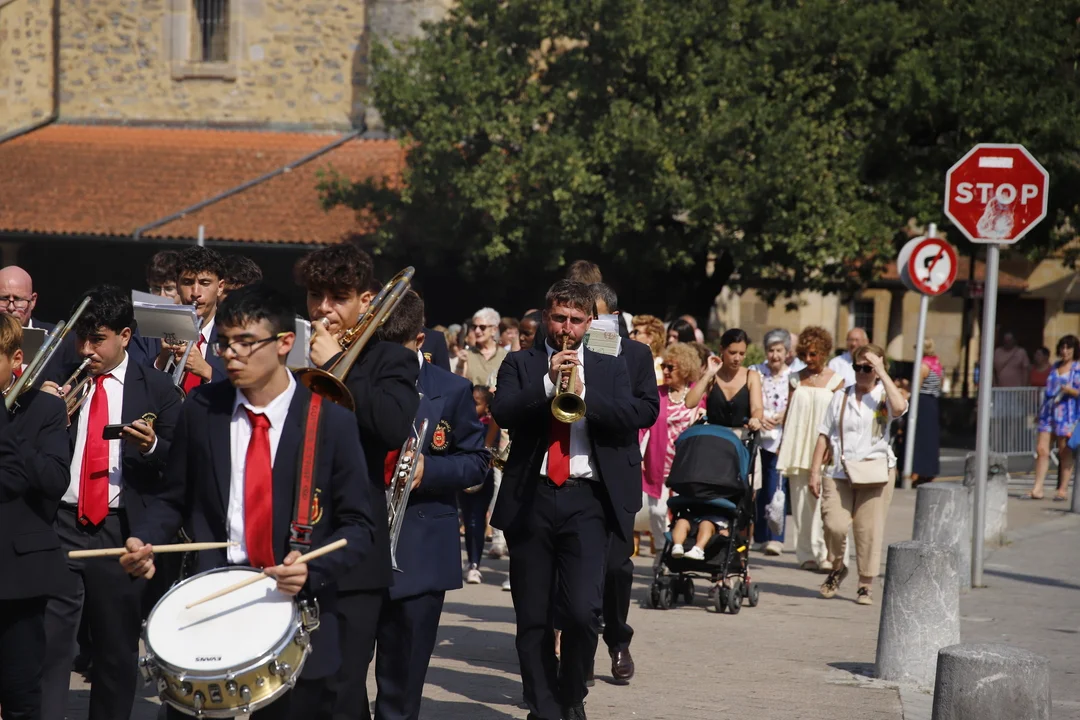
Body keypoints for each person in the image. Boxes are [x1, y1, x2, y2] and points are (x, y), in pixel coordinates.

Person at [117, 283, 376, 720]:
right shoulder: (203, 409)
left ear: (284, 343)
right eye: (224, 343)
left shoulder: (330, 421)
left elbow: (360, 527)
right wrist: (145, 539)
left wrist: (313, 569)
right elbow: (172, 497)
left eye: (245, 342)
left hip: (294, 607)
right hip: (211, 598)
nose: (230, 355)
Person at [491, 280, 642, 720]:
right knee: (533, 617)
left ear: (589, 323)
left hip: (587, 500)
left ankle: (572, 692)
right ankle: (544, 707)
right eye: (559, 318)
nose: (566, 329)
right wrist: (546, 383)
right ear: (545, 318)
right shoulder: (520, 363)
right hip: (532, 498)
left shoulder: (610, 365)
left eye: (576, 321)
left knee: (582, 611)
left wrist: (585, 393)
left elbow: (632, 416)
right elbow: (502, 411)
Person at [37, 286, 183, 720]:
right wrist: (47, 414)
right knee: (50, 644)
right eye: (81, 338)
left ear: (125, 336)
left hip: (121, 531)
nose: (87, 350)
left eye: (97, 339)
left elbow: (178, 463)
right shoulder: (57, 377)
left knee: (116, 650)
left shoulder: (157, 388)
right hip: (61, 523)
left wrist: (151, 446)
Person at [296, 243, 420, 720]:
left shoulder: (391, 359)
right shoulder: (288, 349)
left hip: (353, 550)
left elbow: (389, 428)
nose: (324, 308)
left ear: (366, 301)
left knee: (342, 689)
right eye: (316, 295)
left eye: (338, 297)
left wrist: (333, 366)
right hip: (289, 544)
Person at [370, 291, 488, 720]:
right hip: (359, 544)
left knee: (402, 688)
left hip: (420, 551)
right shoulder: (356, 380)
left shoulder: (451, 389)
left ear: (420, 340)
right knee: (340, 681)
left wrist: (429, 469)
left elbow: (477, 462)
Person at [588, 282, 659, 687]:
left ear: (613, 317)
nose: (587, 322)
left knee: (616, 566)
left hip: (617, 474)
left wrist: (595, 404)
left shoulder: (636, 354)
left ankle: (617, 640)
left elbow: (647, 410)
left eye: (594, 315)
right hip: (573, 476)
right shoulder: (566, 351)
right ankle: (579, 649)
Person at [0, 314, 71, 720]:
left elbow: (54, 480)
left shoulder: (45, 408)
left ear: (16, 360)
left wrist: (6, 430)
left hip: (20, 573)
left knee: (21, 692)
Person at [811, 344, 907, 605]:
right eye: (858, 367)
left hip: (875, 472)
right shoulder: (840, 396)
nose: (862, 373)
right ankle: (837, 567)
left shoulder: (884, 395)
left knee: (868, 530)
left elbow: (899, 408)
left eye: (868, 368)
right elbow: (824, 434)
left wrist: (882, 372)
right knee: (833, 524)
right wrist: (814, 471)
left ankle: (865, 585)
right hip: (839, 471)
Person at [776, 327, 844, 572]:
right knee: (801, 503)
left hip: (824, 447)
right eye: (804, 354)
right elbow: (789, 412)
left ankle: (825, 553)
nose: (808, 359)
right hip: (798, 443)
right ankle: (805, 554)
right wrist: (782, 443)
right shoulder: (795, 378)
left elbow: (839, 418)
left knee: (823, 503)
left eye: (813, 354)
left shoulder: (836, 381)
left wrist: (834, 446)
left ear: (824, 352)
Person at [640, 343, 705, 559]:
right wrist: (637, 454)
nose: (665, 371)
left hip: (686, 464)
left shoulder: (697, 394)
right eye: (664, 366)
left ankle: (677, 552)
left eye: (671, 367)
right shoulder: (657, 394)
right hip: (658, 462)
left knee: (682, 513)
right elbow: (642, 427)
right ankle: (661, 551)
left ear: (685, 369)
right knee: (657, 512)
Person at [154, 247, 229, 393]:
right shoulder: (154, 329)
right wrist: (161, 360)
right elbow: (133, 383)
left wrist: (207, 372)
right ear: (177, 285)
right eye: (187, 282)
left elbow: (246, 389)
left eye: (204, 283)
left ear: (220, 287)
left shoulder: (234, 336)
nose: (195, 293)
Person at [754, 329, 794, 556]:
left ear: (787, 352)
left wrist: (784, 416)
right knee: (758, 488)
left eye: (779, 350)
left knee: (776, 487)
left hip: (781, 437)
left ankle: (776, 537)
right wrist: (760, 416)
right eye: (771, 350)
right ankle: (760, 536)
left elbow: (796, 404)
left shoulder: (793, 376)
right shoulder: (756, 372)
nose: (775, 355)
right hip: (759, 435)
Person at [1028, 335, 1080, 501]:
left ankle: (1062, 489)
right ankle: (1037, 488)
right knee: (1042, 449)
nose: (1065, 351)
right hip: (1048, 412)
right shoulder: (1055, 366)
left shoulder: (1078, 368)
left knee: (1064, 452)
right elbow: (1048, 391)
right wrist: (1040, 412)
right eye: (1062, 347)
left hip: (1067, 414)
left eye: (1068, 348)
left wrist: (1070, 390)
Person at [685, 328, 763, 434]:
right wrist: (708, 374)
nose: (737, 358)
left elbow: (757, 408)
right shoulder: (712, 375)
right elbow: (689, 403)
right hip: (713, 437)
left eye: (741, 353)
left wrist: (756, 419)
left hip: (741, 438)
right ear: (721, 349)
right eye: (732, 353)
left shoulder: (751, 376)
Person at [461, 386, 497, 583]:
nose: (472, 407)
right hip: (464, 478)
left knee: (478, 518)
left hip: (484, 479)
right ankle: (470, 561)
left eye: (476, 404)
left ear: (487, 406)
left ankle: (475, 563)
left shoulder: (489, 427)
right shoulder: (463, 422)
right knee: (468, 519)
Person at [911, 338, 943, 485]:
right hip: (933, 403)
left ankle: (916, 471)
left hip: (922, 403)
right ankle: (930, 471)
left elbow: (916, 388)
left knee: (919, 439)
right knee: (930, 439)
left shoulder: (923, 366)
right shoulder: (937, 364)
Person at [457, 308, 508, 387]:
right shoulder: (467, 354)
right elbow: (459, 384)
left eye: (482, 327)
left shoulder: (505, 355)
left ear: (494, 330)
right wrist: (460, 364)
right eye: (474, 327)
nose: (477, 331)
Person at [0, 265, 53, 330]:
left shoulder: (55, 335)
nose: (11, 308)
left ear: (32, 301)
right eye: (3, 299)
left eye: (18, 299)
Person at [630, 314, 666, 385]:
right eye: (631, 332)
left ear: (651, 337)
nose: (631, 336)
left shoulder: (660, 365)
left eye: (636, 332)